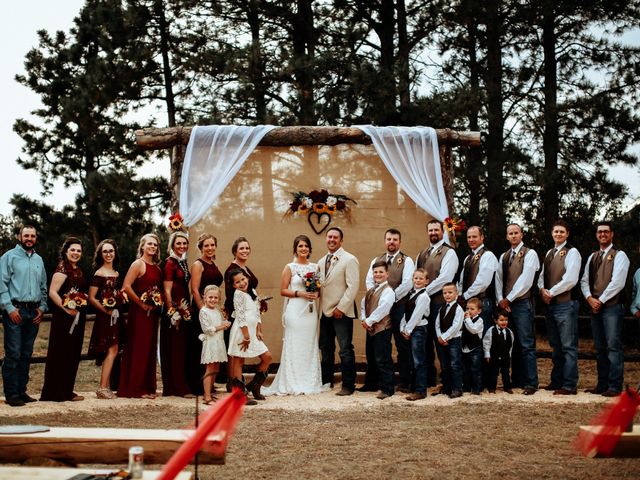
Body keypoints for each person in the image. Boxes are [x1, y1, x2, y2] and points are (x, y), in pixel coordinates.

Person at [262, 235, 327, 396]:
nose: (303, 248)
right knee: (294, 343)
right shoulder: (289, 267)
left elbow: (318, 290)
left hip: (309, 313)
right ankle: (291, 381)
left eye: (306, 246)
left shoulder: (315, 267)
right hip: (295, 311)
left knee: (308, 344)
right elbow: (283, 290)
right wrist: (300, 293)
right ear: (295, 249)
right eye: (300, 246)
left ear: (310, 249)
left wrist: (314, 294)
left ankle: (309, 381)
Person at [361, 228, 414, 393]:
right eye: (389, 239)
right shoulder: (377, 260)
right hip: (378, 307)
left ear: (399, 242)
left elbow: (407, 284)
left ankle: (405, 382)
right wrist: (376, 295)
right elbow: (370, 280)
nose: (392, 242)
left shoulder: (407, 260)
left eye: (395, 239)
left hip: (398, 306)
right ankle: (373, 382)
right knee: (375, 344)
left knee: (401, 345)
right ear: (385, 241)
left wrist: (388, 297)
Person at [580, 221, 630, 397]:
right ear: (596, 234)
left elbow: (618, 282)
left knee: (613, 346)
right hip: (596, 307)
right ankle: (602, 384)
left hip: (612, 307)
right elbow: (584, 281)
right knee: (600, 348)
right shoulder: (592, 256)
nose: (602, 234)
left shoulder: (620, 255)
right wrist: (589, 298)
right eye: (600, 232)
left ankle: (615, 386)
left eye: (606, 232)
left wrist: (600, 300)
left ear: (612, 234)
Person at [0, 225, 47, 407]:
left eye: (32, 236)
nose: (29, 238)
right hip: (15, 310)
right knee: (13, 353)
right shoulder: (8, 257)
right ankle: (11, 394)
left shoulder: (39, 260)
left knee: (26, 353)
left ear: (36, 238)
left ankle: (21, 390)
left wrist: (42, 308)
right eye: (26, 235)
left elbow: (43, 287)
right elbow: (2, 285)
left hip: (33, 311)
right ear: (19, 236)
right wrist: (9, 308)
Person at [495, 223, 540, 395]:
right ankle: (517, 379)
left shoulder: (530, 254)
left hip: (521, 303)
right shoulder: (504, 256)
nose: (513, 236)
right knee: (511, 343)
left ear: (521, 234)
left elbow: (526, 281)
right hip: (506, 305)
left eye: (516, 233)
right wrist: (501, 299)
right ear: (507, 236)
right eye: (510, 233)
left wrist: (508, 299)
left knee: (526, 344)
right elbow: (498, 279)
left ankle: (531, 382)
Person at [41, 237, 87, 402]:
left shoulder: (78, 269)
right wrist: (66, 309)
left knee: (72, 353)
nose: (76, 253)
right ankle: (55, 392)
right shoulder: (62, 269)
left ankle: (67, 390)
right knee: (61, 353)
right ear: (66, 251)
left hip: (76, 316)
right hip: (64, 318)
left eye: (78, 251)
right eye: (73, 250)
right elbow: (53, 292)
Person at [538, 220, 582, 395]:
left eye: (561, 232)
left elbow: (571, 279)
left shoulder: (572, 252)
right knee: (555, 346)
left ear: (567, 233)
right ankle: (556, 381)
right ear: (552, 233)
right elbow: (541, 276)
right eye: (556, 231)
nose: (558, 234)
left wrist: (551, 292)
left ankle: (570, 384)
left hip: (566, 304)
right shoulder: (550, 253)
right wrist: (542, 290)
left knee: (568, 346)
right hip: (551, 305)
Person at [118, 233, 163, 399]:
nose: (152, 247)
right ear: (142, 246)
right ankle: (135, 388)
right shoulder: (138, 264)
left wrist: (156, 301)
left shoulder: (157, 268)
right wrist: (141, 303)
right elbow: (126, 286)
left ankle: (147, 386)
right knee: (139, 348)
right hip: (139, 312)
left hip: (152, 313)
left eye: (155, 245)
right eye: (149, 244)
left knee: (149, 348)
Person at [415, 220, 459, 387]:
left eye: (436, 230)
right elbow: (417, 277)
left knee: (441, 342)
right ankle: (428, 380)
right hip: (423, 306)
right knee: (425, 343)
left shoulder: (449, 253)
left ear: (442, 232)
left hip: (440, 303)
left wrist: (425, 291)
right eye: (430, 230)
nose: (433, 232)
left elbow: (446, 278)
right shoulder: (422, 253)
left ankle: (448, 382)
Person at [318, 227, 360, 396]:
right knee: (326, 348)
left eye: (335, 237)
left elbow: (353, 286)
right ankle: (326, 381)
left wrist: (341, 308)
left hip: (341, 312)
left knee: (345, 349)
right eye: (329, 237)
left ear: (341, 240)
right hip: (325, 312)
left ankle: (348, 385)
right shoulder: (321, 262)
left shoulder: (349, 259)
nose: (332, 240)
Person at [227, 269, 272, 404]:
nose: (241, 283)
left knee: (267, 357)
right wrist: (246, 336)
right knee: (239, 360)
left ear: (247, 277)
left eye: (243, 279)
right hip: (242, 332)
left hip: (252, 332)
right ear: (234, 285)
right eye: (237, 282)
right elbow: (240, 317)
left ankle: (255, 385)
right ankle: (239, 395)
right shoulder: (238, 295)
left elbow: (257, 312)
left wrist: (259, 330)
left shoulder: (252, 292)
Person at [87, 239, 123, 399]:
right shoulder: (99, 274)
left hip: (117, 316)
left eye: (111, 251)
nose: (108, 254)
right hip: (105, 317)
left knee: (114, 349)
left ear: (115, 253)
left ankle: (106, 386)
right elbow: (92, 298)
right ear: (101, 254)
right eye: (105, 251)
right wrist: (106, 311)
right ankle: (102, 387)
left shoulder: (117, 273)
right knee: (111, 349)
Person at [189, 233, 224, 392]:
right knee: (201, 348)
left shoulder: (213, 264)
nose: (210, 248)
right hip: (202, 309)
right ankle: (198, 385)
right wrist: (203, 309)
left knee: (213, 347)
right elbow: (195, 289)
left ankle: (209, 385)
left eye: (212, 245)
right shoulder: (198, 264)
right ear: (201, 248)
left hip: (212, 308)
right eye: (206, 246)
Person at [161, 231, 193, 398]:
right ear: (172, 245)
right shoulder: (169, 264)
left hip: (184, 306)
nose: (182, 246)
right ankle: (176, 387)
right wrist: (172, 311)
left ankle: (180, 383)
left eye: (184, 243)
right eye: (178, 243)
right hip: (174, 309)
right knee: (175, 348)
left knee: (182, 348)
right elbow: (166, 290)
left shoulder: (183, 262)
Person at [360, 260, 396, 400]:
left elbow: (383, 309)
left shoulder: (388, 291)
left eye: (381, 272)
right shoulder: (371, 290)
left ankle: (388, 388)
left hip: (382, 329)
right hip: (370, 328)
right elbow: (364, 305)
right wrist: (364, 319)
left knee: (383, 358)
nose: (378, 274)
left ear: (387, 274)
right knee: (371, 357)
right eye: (375, 272)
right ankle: (371, 384)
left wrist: (369, 321)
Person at [458, 226, 499, 333]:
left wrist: (464, 296)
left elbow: (482, 283)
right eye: (469, 237)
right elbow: (462, 281)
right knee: (471, 338)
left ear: (482, 237)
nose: (471, 239)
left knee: (483, 336)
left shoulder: (488, 255)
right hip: (469, 304)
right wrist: (459, 294)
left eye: (474, 236)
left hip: (482, 303)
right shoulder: (468, 258)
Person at [400, 268, 431, 401]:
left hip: (418, 330)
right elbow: (406, 313)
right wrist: (403, 326)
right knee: (411, 360)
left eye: (421, 278)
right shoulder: (411, 294)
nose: (417, 280)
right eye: (416, 278)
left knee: (419, 361)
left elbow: (417, 315)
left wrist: (408, 330)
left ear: (427, 281)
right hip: (410, 329)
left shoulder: (424, 296)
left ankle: (421, 390)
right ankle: (413, 386)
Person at [199, 285, 230, 404]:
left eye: (216, 298)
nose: (213, 300)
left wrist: (225, 323)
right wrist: (221, 326)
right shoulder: (204, 311)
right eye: (210, 297)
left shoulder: (216, 311)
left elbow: (218, 323)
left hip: (219, 342)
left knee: (216, 368)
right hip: (211, 343)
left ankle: (210, 392)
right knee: (210, 369)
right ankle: (206, 396)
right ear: (204, 297)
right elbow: (207, 329)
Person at [435, 282, 464, 398]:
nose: (447, 295)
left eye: (450, 292)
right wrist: (439, 336)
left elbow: (456, 326)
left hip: (454, 341)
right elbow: (437, 324)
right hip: (442, 341)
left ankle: (457, 389)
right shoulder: (441, 308)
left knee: (455, 365)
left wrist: (444, 337)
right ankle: (447, 388)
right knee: (445, 365)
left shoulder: (459, 309)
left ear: (456, 293)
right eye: (445, 293)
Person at [483, 309, 514, 394]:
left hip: (505, 356)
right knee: (493, 372)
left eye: (506, 320)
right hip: (494, 356)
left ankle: (507, 387)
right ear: (495, 320)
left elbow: (510, 345)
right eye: (501, 320)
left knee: (506, 372)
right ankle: (492, 387)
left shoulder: (509, 332)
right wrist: (487, 355)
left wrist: (509, 355)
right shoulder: (491, 330)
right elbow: (486, 343)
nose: (504, 322)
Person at [461, 297, 484, 395]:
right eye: (467, 309)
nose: (469, 311)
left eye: (472, 309)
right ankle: (466, 387)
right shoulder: (465, 320)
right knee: (465, 369)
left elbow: (473, 330)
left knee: (475, 369)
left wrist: (467, 319)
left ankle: (476, 388)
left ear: (479, 311)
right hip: (465, 348)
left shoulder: (480, 320)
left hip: (475, 348)